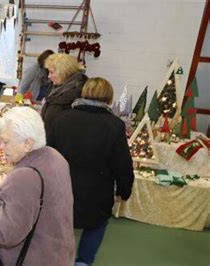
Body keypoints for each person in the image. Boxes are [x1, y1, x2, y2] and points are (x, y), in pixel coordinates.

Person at [47, 78, 135, 266]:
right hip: (97, 191)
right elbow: (122, 163)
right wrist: (124, 190)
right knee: (96, 225)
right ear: (109, 99)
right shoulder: (114, 125)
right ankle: (83, 262)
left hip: (61, 187)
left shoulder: (61, 119)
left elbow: (48, 154)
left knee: (60, 227)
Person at [0, 107, 74, 266]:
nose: (2, 148)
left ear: (27, 144)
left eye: (6, 142)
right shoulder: (55, 156)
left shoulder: (24, 176)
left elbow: (4, 235)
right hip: (58, 254)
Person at [41, 53, 88, 129]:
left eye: (51, 72)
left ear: (63, 72)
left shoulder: (75, 92)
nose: (49, 76)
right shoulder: (58, 87)